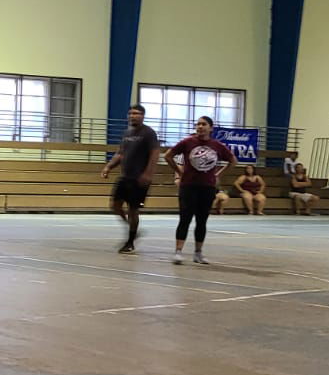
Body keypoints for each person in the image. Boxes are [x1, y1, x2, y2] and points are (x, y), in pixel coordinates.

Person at [165, 115, 234, 265]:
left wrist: (217, 175)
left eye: (203, 124)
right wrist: (179, 171)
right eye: (198, 124)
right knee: (185, 219)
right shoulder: (187, 142)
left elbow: (232, 160)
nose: (200, 127)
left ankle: (198, 253)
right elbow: (168, 156)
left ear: (211, 128)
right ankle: (178, 252)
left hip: (207, 188)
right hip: (188, 187)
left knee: (202, 221)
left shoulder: (216, 145)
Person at [100, 103, 160, 254]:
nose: (133, 116)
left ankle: (130, 241)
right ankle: (132, 228)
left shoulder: (148, 133)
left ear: (142, 116)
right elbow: (120, 153)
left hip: (139, 179)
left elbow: (155, 154)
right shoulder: (127, 133)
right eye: (131, 113)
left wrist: (148, 174)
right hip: (125, 177)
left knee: (133, 209)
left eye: (136, 113)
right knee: (115, 205)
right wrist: (108, 167)